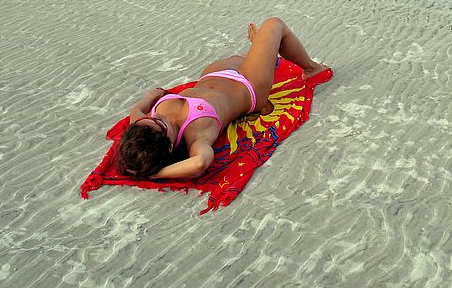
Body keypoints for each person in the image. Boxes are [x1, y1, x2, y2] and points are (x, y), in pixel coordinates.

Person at [115, 17, 330, 179]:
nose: (159, 118)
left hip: (217, 74)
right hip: (249, 86)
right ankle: (311, 68)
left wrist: (151, 96)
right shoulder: (196, 135)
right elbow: (200, 163)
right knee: (274, 25)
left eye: (151, 118)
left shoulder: (144, 127)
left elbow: (136, 112)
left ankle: (260, 49)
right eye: (162, 124)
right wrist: (157, 174)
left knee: (244, 56)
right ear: (170, 146)